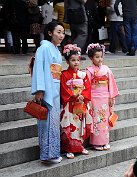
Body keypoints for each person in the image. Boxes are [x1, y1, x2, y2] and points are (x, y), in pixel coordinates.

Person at [31, 21, 65, 163]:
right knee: (46, 122)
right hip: (46, 88)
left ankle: (53, 153)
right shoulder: (44, 48)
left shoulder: (56, 50)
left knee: (53, 122)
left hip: (55, 87)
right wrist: (39, 90)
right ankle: (47, 155)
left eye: (63, 32)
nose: (61, 35)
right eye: (58, 32)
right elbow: (39, 69)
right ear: (50, 33)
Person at [60, 44, 93, 159]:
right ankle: (69, 148)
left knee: (80, 125)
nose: (76, 63)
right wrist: (74, 96)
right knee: (70, 125)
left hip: (80, 103)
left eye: (77, 60)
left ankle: (80, 146)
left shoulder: (83, 74)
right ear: (67, 61)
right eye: (73, 60)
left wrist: (82, 96)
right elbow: (64, 89)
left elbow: (87, 87)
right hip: (70, 104)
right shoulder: (64, 75)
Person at [86, 43, 119, 150]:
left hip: (105, 97)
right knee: (96, 120)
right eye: (97, 57)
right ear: (91, 58)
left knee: (104, 120)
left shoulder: (106, 69)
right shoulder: (89, 71)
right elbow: (87, 87)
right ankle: (96, 142)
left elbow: (111, 84)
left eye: (101, 56)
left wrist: (111, 97)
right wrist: (89, 99)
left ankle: (105, 141)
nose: (100, 59)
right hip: (94, 98)